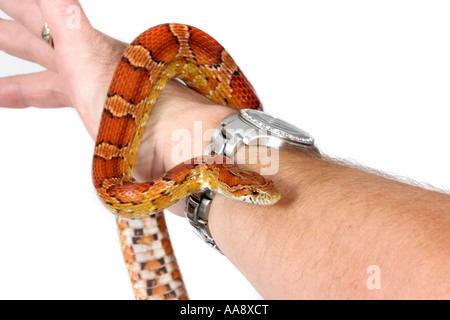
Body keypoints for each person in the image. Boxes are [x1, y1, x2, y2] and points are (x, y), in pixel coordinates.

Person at [0, 0, 448, 299]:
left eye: (252, 193)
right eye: (252, 193)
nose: (261, 195)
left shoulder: (198, 174)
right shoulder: (178, 173)